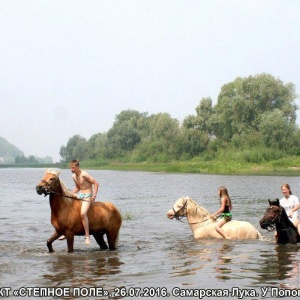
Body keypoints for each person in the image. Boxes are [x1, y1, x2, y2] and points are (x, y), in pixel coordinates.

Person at [69, 159, 99, 245]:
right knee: (70, 210)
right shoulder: (74, 176)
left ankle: (87, 236)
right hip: (80, 195)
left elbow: (96, 183)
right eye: (70, 168)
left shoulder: (84, 174)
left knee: (82, 213)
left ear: (77, 167)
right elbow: (78, 187)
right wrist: (70, 193)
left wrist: (94, 195)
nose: (72, 170)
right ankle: (67, 232)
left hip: (88, 195)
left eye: (73, 168)